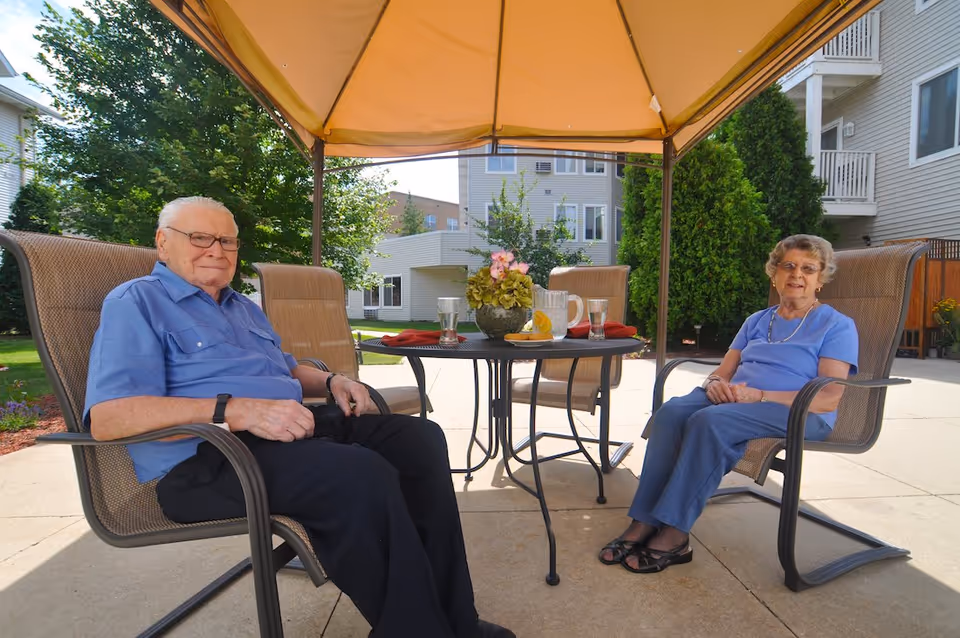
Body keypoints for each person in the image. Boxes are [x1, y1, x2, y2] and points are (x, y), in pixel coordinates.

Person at [84, 196, 515, 638]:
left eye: (228, 242)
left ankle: (458, 620)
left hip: (288, 433)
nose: (217, 250)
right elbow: (110, 417)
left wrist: (332, 382)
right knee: (359, 474)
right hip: (206, 461)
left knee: (420, 439)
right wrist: (234, 409)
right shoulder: (137, 302)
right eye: (200, 238)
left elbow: (286, 367)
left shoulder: (242, 307)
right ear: (162, 243)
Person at [599, 234, 858, 574]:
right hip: (738, 399)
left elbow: (828, 397)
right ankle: (644, 520)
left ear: (820, 278)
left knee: (710, 422)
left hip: (798, 411)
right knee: (673, 412)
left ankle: (675, 534)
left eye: (809, 268)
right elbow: (722, 371)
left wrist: (759, 395)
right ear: (774, 273)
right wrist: (719, 385)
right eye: (789, 266)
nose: (798, 275)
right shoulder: (756, 320)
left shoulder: (837, 325)